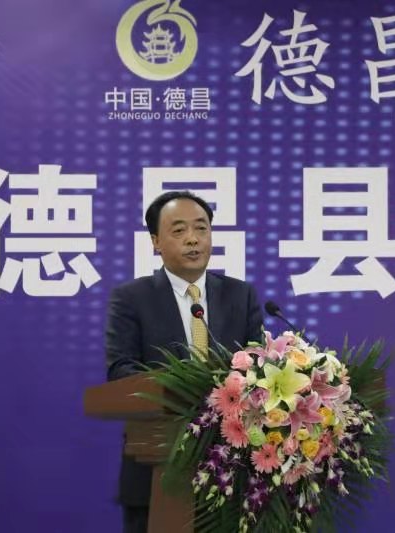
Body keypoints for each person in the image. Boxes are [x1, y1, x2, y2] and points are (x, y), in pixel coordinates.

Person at [105, 190, 264, 533]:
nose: (193, 239)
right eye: (179, 230)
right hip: (156, 471)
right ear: (155, 242)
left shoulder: (241, 295)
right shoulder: (131, 298)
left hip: (234, 474)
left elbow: (259, 366)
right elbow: (121, 371)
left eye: (201, 228)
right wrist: (189, 391)